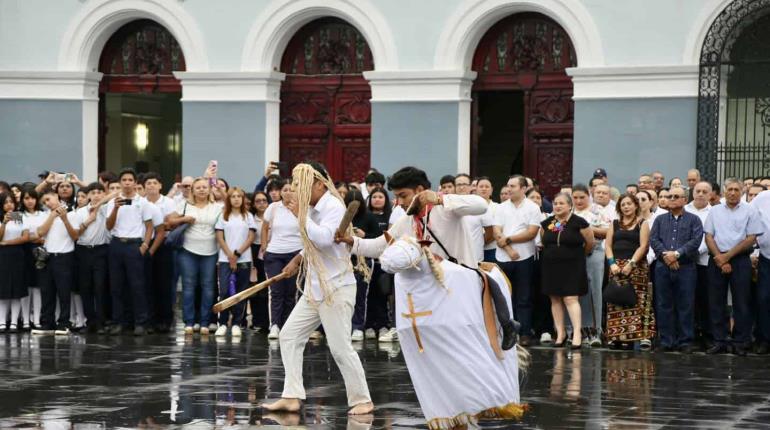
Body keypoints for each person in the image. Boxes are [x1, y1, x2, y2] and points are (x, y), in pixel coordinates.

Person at [343, 166, 518, 349]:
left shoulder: (447, 208)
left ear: (420, 191)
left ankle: (507, 326)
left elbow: (481, 205)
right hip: (432, 291)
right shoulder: (406, 221)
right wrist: (350, 242)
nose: (399, 202)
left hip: (461, 286)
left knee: (468, 344)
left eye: (403, 195)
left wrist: (441, 198)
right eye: (397, 196)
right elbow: (378, 246)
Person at [262, 162, 373, 416]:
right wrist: (297, 259)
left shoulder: (333, 206)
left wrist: (300, 215)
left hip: (336, 288)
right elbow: (313, 243)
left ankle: (362, 400)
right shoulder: (311, 208)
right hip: (315, 288)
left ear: (320, 184)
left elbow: (324, 238)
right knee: (289, 335)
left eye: (302, 185)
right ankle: (292, 396)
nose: (298, 190)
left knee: (340, 347)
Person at [704, 178, 764, 356]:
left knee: (741, 302)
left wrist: (727, 257)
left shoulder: (750, 210)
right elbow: (708, 236)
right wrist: (719, 258)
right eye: (729, 189)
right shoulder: (714, 211)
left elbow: (751, 238)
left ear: (742, 192)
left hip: (740, 260)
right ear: (724, 191)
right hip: (716, 259)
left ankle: (740, 341)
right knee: (716, 302)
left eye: (736, 190)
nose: (732, 193)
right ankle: (719, 340)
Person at [650, 187, 703, 353]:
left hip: (685, 267)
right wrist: (666, 256)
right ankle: (666, 340)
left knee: (685, 304)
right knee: (664, 304)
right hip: (663, 267)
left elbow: (696, 241)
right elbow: (654, 239)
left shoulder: (694, 220)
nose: (671, 199)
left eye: (675, 196)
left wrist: (677, 254)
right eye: (669, 196)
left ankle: (685, 341)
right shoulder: (659, 219)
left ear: (684, 200)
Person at [167, 177, 222, 336]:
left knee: (208, 287)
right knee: (189, 286)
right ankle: (189, 322)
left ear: (209, 189)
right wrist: (184, 219)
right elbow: (169, 220)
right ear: (192, 190)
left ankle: (205, 322)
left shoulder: (216, 207)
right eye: (198, 187)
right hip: (188, 251)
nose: (202, 190)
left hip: (210, 252)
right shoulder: (184, 204)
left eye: (205, 187)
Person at [104, 168, 154, 336]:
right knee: (116, 286)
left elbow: (149, 226)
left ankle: (140, 322)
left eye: (129, 180)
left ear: (135, 183)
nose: (126, 183)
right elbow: (108, 226)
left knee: (137, 285)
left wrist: (144, 246)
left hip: (134, 245)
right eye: (123, 180)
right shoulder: (113, 201)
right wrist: (116, 209)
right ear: (120, 183)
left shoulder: (143, 202)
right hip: (117, 244)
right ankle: (119, 321)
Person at [540, 192, 594, 349]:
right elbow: (545, 241)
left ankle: (577, 333)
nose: (557, 206)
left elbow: (589, 243)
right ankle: (560, 333)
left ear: (570, 205)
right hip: (551, 266)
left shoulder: (579, 223)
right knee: (555, 299)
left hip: (573, 266)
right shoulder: (547, 223)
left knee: (571, 299)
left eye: (561, 203)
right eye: (555, 203)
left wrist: (577, 255)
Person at [494, 175, 541, 346]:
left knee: (524, 297)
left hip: (524, 257)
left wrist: (508, 240)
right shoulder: (500, 208)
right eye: (507, 186)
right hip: (503, 257)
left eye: (513, 186)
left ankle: (525, 332)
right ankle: (507, 331)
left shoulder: (533, 208)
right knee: (505, 296)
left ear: (523, 189)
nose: (509, 189)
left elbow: (531, 233)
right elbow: (496, 231)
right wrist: (508, 249)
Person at [605, 193, 655, 350]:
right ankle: (617, 337)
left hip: (636, 267)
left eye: (629, 204)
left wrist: (631, 264)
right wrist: (612, 263)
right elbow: (607, 246)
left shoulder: (642, 223)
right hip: (615, 267)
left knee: (638, 301)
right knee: (616, 299)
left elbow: (644, 246)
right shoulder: (614, 224)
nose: (626, 207)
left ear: (635, 205)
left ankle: (642, 337)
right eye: (623, 204)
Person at [31, 190, 80, 335]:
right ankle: (47, 323)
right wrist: (52, 215)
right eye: (44, 202)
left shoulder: (72, 214)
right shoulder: (45, 215)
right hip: (47, 257)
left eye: (48, 199)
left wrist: (64, 219)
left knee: (64, 292)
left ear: (56, 196)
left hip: (64, 256)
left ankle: (64, 323)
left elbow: (75, 236)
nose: (47, 203)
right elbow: (40, 233)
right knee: (47, 291)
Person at [261, 179, 303, 340]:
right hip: (274, 254)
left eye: (291, 190)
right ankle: (275, 325)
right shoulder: (273, 207)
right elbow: (265, 227)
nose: (287, 192)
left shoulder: (301, 208)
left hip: (295, 254)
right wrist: (264, 246)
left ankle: (287, 326)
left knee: (291, 292)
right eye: (284, 190)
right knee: (276, 291)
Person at [215, 187, 256, 338]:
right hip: (225, 259)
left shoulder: (248, 216)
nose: (236, 199)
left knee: (241, 292)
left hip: (244, 259)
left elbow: (251, 237)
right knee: (224, 291)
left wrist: (237, 254)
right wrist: (230, 255)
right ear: (229, 199)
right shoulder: (223, 216)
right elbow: (220, 237)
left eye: (239, 196)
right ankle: (223, 323)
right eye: (233, 196)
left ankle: (237, 323)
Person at [571, 184, 607, 347]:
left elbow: (608, 231)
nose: (578, 201)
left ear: (588, 196)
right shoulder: (568, 211)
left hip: (594, 251)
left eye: (582, 197)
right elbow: (555, 228)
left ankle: (595, 330)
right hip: (572, 253)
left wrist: (586, 228)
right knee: (574, 292)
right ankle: (577, 331)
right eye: (575, 197)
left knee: (594, 291)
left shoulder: (597, 210)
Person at [75, 182, 112, 333]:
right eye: (93, 192)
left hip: (101, 251)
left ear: (103, 194)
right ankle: (90, 321)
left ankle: (101, 322)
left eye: (99, 192)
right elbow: (75, 233)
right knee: (85, 287)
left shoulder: (105, 209)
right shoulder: (79, 212)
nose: (96, 195)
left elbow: (115, 194)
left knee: (100, 287)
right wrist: (89, 219)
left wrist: (99, 205)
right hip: (83, 251)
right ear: (88, 195)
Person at [142, 172, 176, 333]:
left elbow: (170, 223)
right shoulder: (140, 202)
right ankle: (150, 319)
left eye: (154, 183)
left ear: (160, 186)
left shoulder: (168, 202)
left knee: (164, 283)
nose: (151, 186)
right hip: (144, 243)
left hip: (163, 244)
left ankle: (165, 320)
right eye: (148, 183)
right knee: (147, 283)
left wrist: (164, 224)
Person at [345, 190, 379, 341]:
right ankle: (345, 327)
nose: (354, 211)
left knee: (360, 295)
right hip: (346, 259)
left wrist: (363, 236)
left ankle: (358, 326)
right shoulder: (343, 218)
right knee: (345, 295)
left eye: (356, 207)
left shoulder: (369, 217)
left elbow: (379, 239)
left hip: (364, 260)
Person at [684, 181, 714, 349]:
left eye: (705, 191)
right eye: (698, 191)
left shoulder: (714, 212)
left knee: (706, 300)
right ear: (692, 192)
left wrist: (697, 250)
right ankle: (691, 334)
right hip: (685, 263)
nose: (701, 194)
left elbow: (710, 236)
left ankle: (708, 335)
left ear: (711, 194)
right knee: (689, 301)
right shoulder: (684, 210)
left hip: (705, 262)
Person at [365, 187, 393, 341]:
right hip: (369, 262)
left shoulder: (390, 217)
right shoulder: (366, 216)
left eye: (380, 196)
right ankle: (368, 325)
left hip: (384, 263)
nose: (377, 199)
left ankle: (383, 325)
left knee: (382, 295)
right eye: (374, 196)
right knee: (369, 296)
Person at [0, 192, 29, 332]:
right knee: (3, 289)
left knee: (17, 289)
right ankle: (2, 322)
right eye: (5, 202)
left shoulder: (20, 216)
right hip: (2, 255)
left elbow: (25, 237)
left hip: (18, 253)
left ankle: (13, 322)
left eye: (11, 201)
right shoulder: (1, 218)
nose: (9, 205)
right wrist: (4, 223)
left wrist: (7, 242)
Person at [21, 188, 47, 330]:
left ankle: (36, 319)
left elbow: (47, 231)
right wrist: (35, 237)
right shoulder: (18, 215)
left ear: (37, 199)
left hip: (40, 251)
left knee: (37, 287)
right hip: (23, 251)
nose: (30, 201)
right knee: (25, 287)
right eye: (26, 198)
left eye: (32, 198)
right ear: (22, 200)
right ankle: (25, 320)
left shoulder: (43, 214)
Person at [750, 188, 770, 354]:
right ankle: (764, 339)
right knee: (764, 299)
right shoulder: (762, 198)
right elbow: (750, 223)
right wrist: (754, 252)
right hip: (766, 257)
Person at [247, 191, 270, 332]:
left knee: (269, 288)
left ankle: (269, 321)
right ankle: (258, 320)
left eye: (264, 200)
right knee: (256, 287)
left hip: (271, 249)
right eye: (258, 201)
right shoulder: (250, 218)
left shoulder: (273, 215)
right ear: (254, 204)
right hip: (254, 252)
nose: (261, 203)